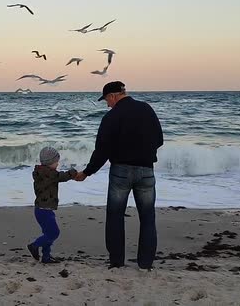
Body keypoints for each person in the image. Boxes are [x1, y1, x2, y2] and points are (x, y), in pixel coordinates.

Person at [75, 81, 163, 270]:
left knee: (115, 216)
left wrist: (87, 173)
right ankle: (145, 263)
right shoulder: (147, 109)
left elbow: (102, 150)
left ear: (114, 95)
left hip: (120, 172)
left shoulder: (111, 116)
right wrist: (144, 153)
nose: (107, 104)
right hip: (146, 171)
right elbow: (159, 139)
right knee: (148, 217)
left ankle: (116, 262)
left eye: (107, 99)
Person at [27, 146, 77, 264]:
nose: (58, 164)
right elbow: (62, 177)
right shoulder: (49, 174)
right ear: (50, 162)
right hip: (44, 210)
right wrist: (73, 173)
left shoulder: (42, 173)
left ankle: (46, 257)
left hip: (42, 209)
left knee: (48, 234)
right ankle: (34, 245)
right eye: (56, 162)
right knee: (54, 233)